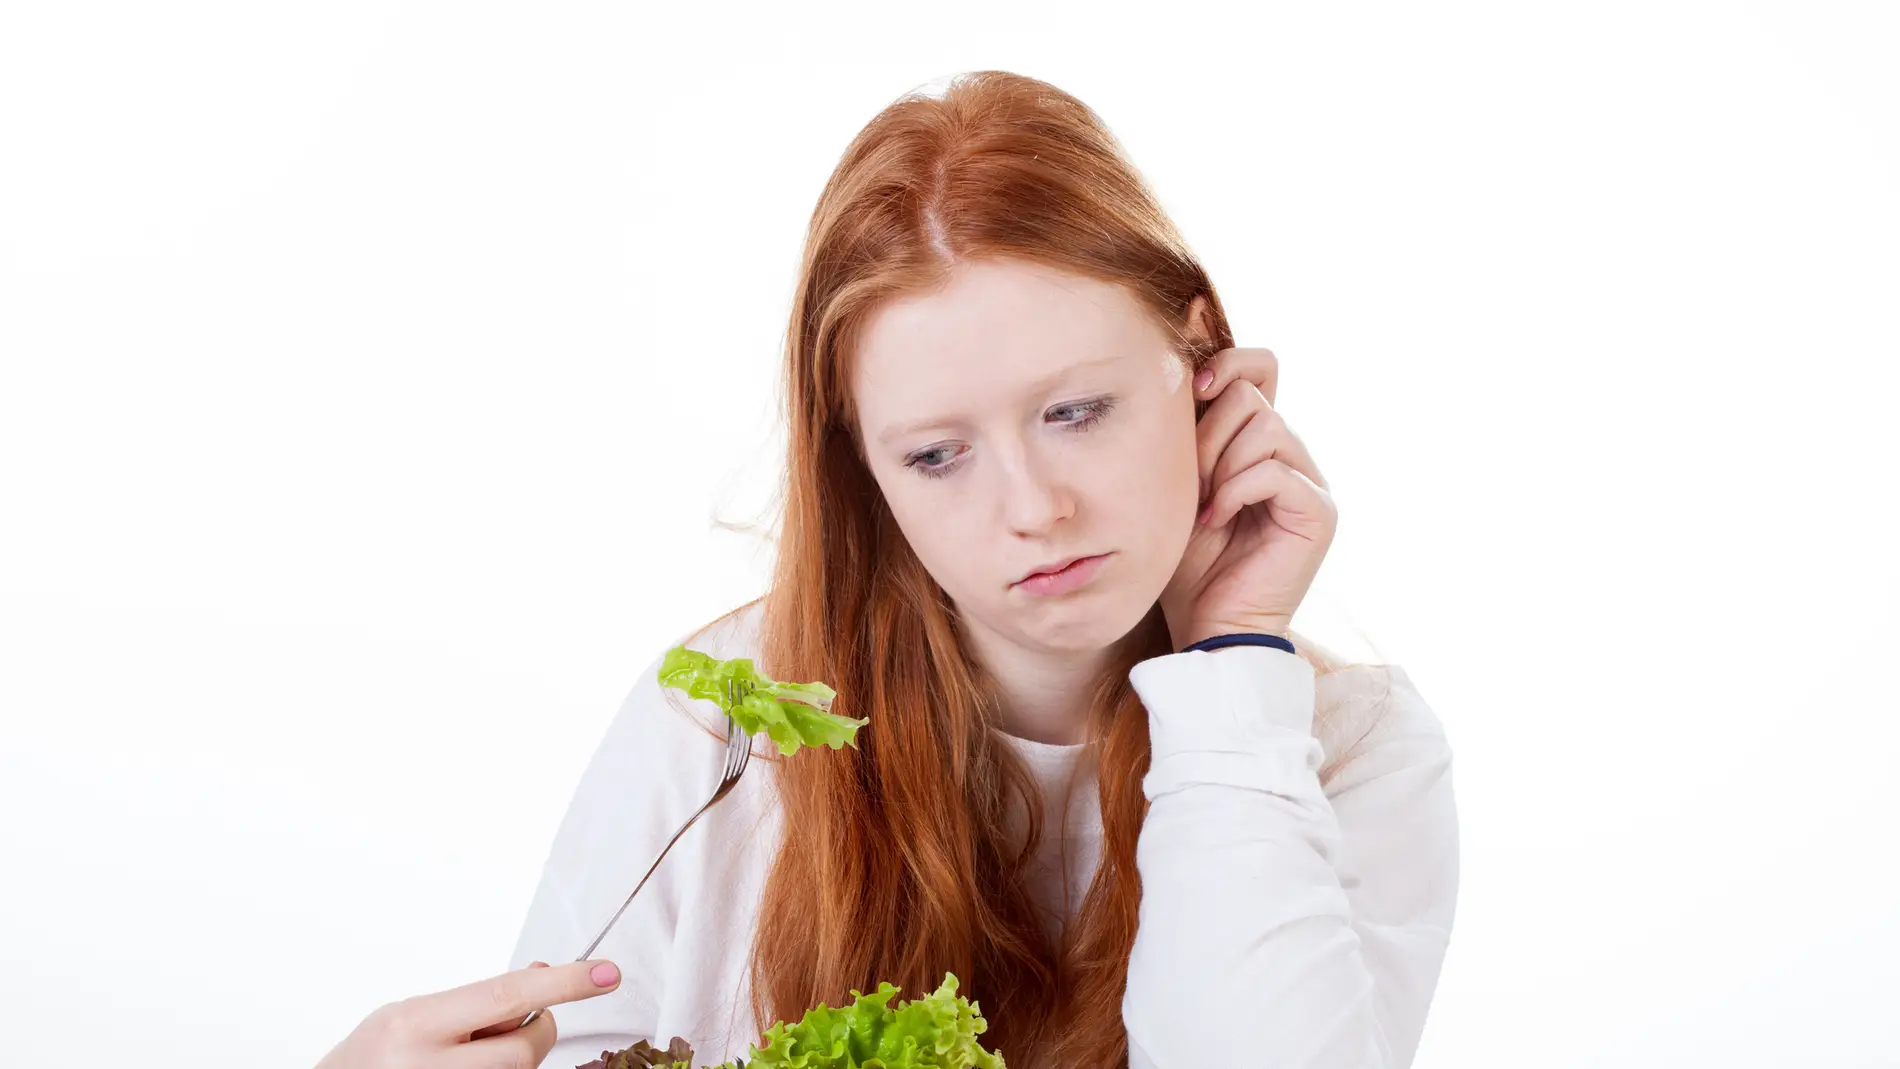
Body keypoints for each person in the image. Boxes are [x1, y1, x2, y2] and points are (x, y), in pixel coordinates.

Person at [324, 68, 1459, 1069]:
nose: (1034, 509)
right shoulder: (725, 717)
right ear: (862, 464)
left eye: (1075, 411)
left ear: (1200, 354)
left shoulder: (1348, 749)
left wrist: (1233, 659)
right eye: (935, 454)